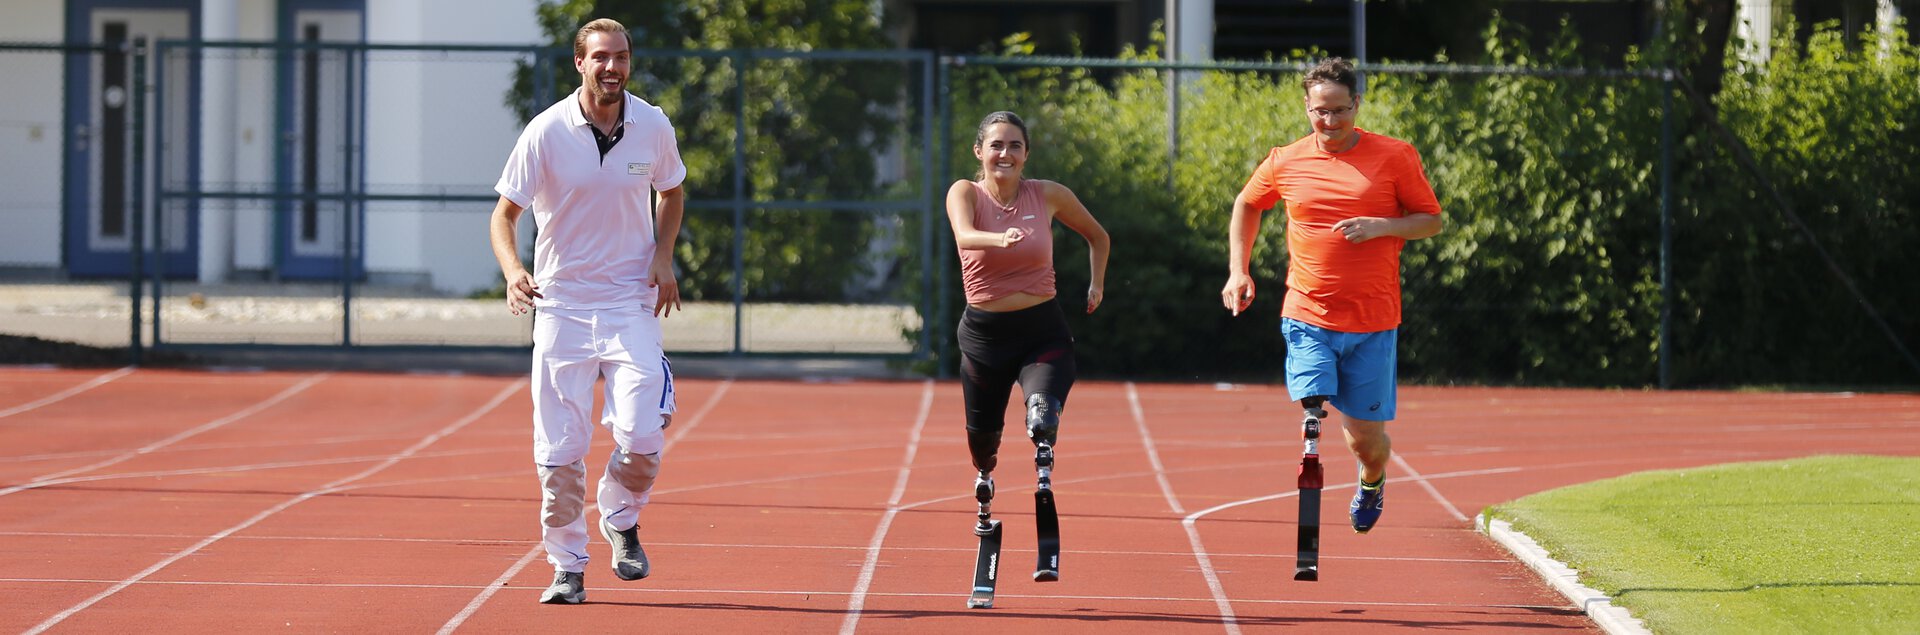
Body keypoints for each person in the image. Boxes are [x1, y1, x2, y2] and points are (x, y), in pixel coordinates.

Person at [487, 17, 687, 605]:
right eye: (600, 57)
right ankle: (567, 566)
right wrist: (513, 271)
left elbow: (671, 189)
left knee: (645, 434)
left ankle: (621, 516)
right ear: (580, 63)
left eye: (621, 56)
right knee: (559, 451)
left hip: (629, 300)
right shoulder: (546, 131)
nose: (612, 67)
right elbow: (504, 216)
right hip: (561, 306)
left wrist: (664, 256)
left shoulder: (651, 124)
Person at [1220, 58, 1443, 535]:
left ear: (1356, 105)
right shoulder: (1286, 159)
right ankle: (1312, 417)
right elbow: (1247, 204)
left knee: (1366, 441)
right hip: (1307, 311)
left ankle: (1372, 478)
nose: (1331, 122)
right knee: (1313, 397)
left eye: (1341, 111)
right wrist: (1239, 271)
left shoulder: (1395, 156)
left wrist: (1383, 226)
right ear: (1307, 107)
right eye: (1321, 111)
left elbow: (1430, 220)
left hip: (1373, 320)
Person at [947, 110, 1110, 576]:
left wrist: (1097, 284)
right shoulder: (965, 192)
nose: (1005, 153)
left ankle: (1043, 455)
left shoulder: (1048, 195)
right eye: (996, 145)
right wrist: (1000, 239)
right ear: (980, 151)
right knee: (983, 444)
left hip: (1043, 332)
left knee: (1042, 416)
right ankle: (985, 486)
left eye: (1014, 145)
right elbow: (963, 234)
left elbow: (1098, 237)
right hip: (984, 337)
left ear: (1026, 154)